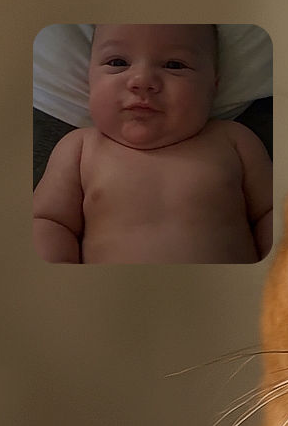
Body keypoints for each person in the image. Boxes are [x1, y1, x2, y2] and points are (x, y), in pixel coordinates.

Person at [33, 24, 272, 263]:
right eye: (118, 62)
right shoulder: (79, 149)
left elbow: (273, 212)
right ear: (90, 80)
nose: (142, 80)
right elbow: (48, 220)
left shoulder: (234, 140)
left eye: (174, 65)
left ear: (212, 87)